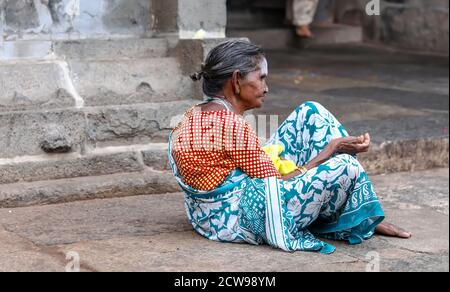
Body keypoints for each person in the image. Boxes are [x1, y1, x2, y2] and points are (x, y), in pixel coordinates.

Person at [168, 40, 411, 254]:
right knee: (345, 166)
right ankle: (354, 215)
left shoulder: (192, 114)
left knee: (311, 112)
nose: (266, 87)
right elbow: (275, 185)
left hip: (206, 212)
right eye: (261, 78)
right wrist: (328, 152)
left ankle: (354, 209)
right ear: (236, 81)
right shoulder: (230, 125)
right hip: (232, 218)